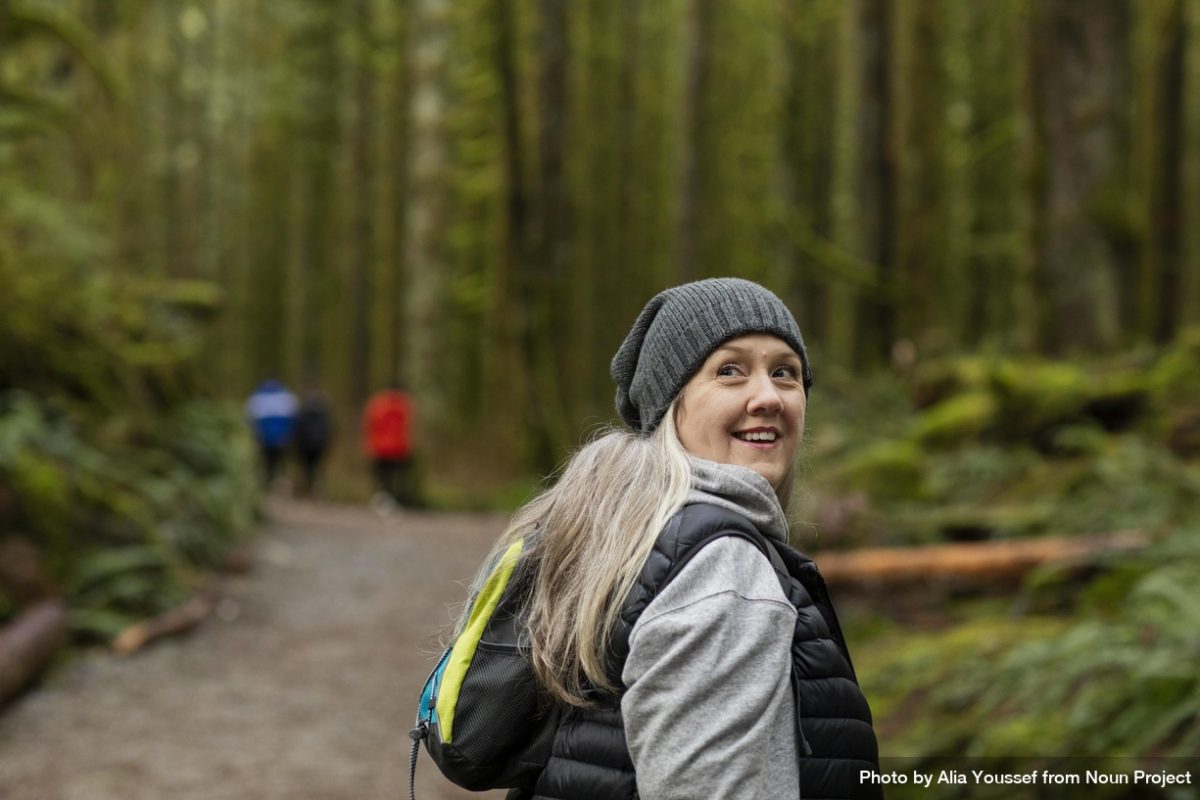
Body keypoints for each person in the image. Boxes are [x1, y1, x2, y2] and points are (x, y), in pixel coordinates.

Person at [454, 278, 881, 799]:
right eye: (730, 370)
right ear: (670, 404)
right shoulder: (720, 569)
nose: (768, 396)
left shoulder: (626, 539)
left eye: (785, 373)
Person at [363, 382, 415, 508]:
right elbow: (407, 429)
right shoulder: (403, 406)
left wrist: (369, 445)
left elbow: (370, 425)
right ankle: (390, 501)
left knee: (382, 477)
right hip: (396, 449)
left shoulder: (378, 404)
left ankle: (382, 500)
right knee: (394, 478)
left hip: (381, 447)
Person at [244, 379, 298, 489]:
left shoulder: (256, 398)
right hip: (282, 438)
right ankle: (280, 485)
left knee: (267, 463)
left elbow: (249, 419)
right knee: (281, 463)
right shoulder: (287, 398)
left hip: (264, 438)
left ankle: (267, 484)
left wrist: (256, 435)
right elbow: (294, 419)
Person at [293, 388, 333, 498]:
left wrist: (296, 445)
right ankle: (317, 490)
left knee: (306, 469)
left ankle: (308, 489)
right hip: (319, 446)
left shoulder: (302, 412)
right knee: (317, 468)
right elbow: (328, 430)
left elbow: (297, 430)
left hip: (305, 447)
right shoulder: (323, 413)